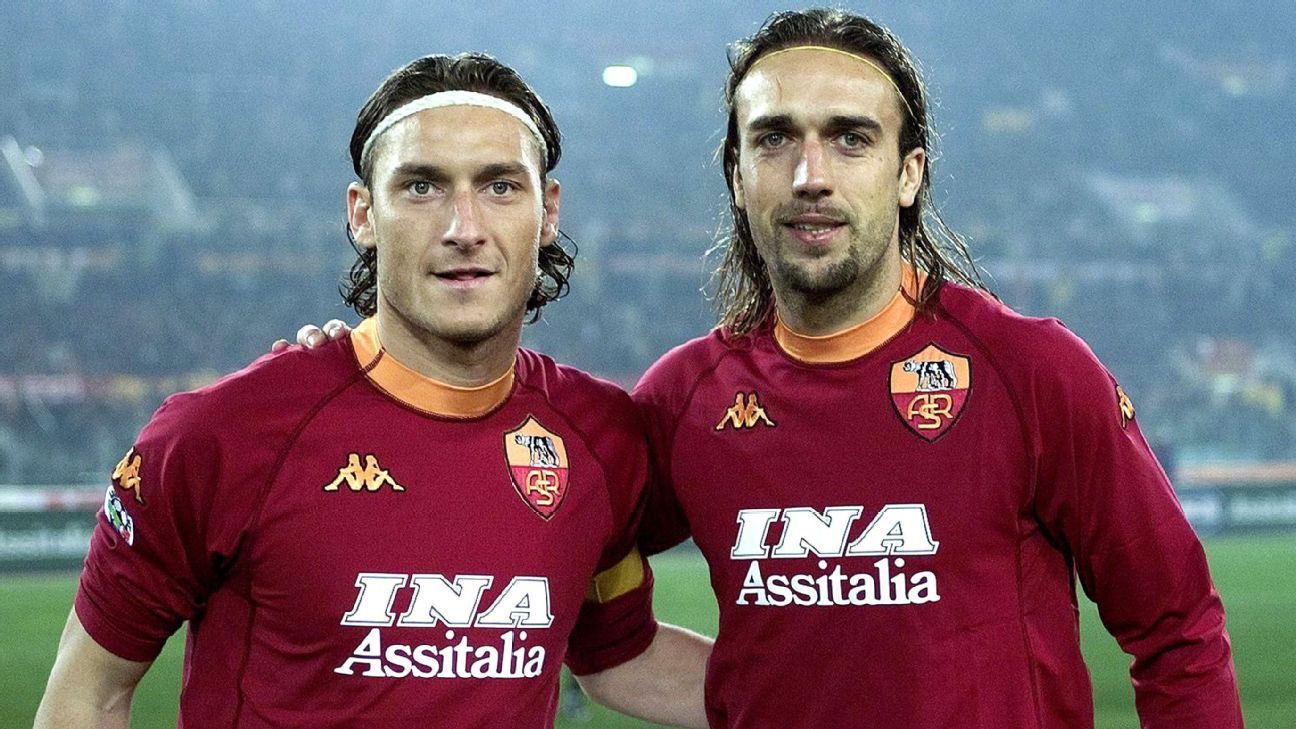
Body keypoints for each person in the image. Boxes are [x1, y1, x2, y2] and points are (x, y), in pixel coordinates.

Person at [291, 9, 1244, 728]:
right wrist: (366, 389)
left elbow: (1178, 631)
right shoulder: (683, 402)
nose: (810, 174)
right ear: (737, 172)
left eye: (850, 137)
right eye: (775, 138)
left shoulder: (1030, 373)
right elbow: (540, 530)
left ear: (908, 173)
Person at [35, 53, 708, 729]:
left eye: (500, 186)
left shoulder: (601, 440)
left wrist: (815, 689)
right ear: (362, 214)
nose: (464, 227)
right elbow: (86, 697)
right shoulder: (219, 436)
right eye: (422, 187)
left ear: (549, 209)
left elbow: (621, 656)